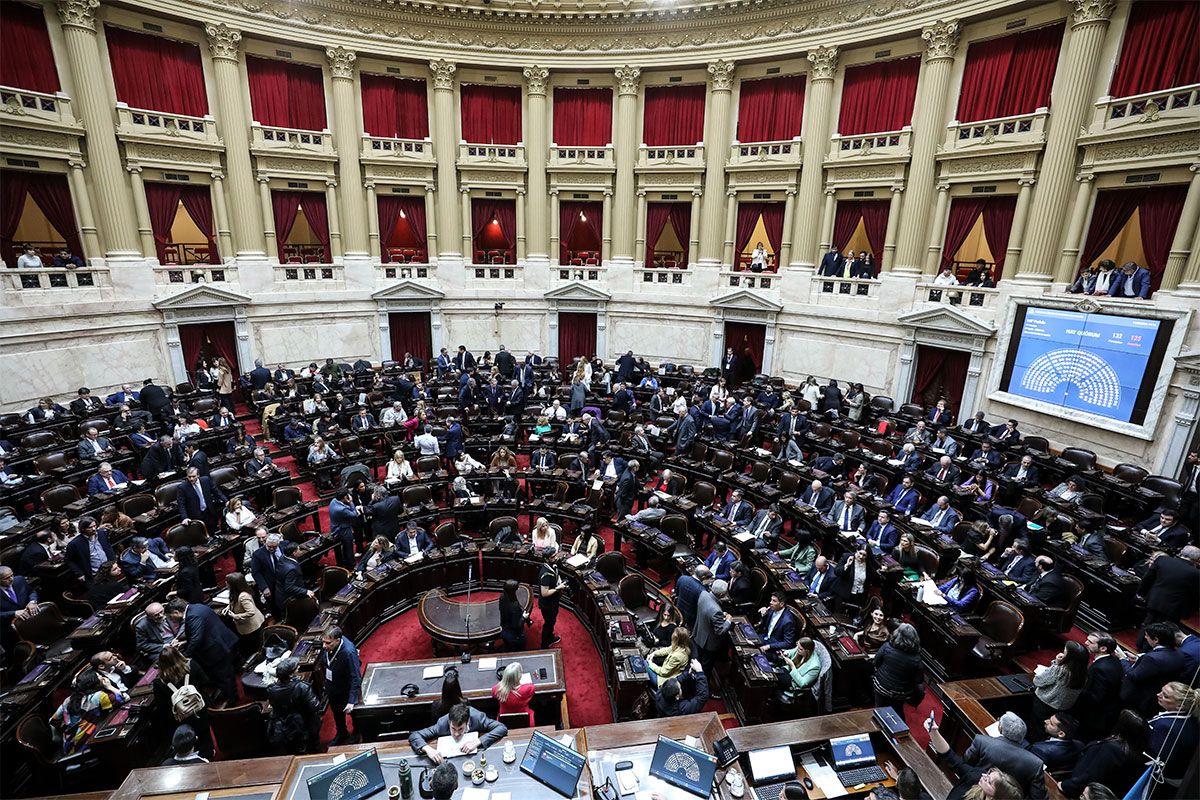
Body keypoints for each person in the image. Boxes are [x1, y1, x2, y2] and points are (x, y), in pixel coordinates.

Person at [923, 717, 1025, 800]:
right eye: (989, 773)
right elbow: (952, 759)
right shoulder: (977, 776)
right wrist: (933, 732)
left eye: (989, 781)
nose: (984, 775)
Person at [166, 597, 239, 705]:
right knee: (227, 674)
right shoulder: (197, 607)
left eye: (171, 617)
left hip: (216, 650)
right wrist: (184, 643)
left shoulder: (192, 616)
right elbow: (201, 632)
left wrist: (183, 657)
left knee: (223, 677)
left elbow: (196, 639)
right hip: (221, 642)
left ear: (177, 612)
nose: (171, 620)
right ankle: (232, 694)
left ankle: (232, 702)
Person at [1061, 710, 1149, 797]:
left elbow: (1091, 775)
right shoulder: (1135, 754)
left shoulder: (1112, 749)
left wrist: (1067, 786)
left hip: (1082, 792)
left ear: (1123, 726)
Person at [963, 712, 1048, 799]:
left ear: (1000, 728)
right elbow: (1038, 797)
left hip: (973, 788)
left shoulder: (981, 741)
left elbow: (966, 762)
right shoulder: (1036, 763)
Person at [153, 645, 214, 758]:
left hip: (182, 719)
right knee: (206, 739)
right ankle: (209, 756)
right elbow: (205, 682)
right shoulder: (192, 665)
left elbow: (162, 707)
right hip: (200, 712)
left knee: (189, 745)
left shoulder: (159, 683)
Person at [50, 670, 127, 755]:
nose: (102, 677)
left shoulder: (68, 700)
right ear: (95, 681)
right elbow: (124, 698)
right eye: (99, 676)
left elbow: (53, 720)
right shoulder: (99, 696)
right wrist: (109, 686)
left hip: (69, 746)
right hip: (89, 745)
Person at [1121, 622, 1186, 717]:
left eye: (1147, 636)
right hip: (1157, 698)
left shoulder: (1152, 658)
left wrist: (1123, 660)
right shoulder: (1180, 654)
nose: (1145, 638)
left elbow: (1134, 676)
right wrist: (1138, 660)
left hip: (1140, 699)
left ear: (1156, 639)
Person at [410, 702, 508, 764]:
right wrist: (428, 749)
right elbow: (414, 735)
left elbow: (501, 728)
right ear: (449, 722)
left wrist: (478, 741)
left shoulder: (478, 718)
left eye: (460, 729)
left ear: (468, 722)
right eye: (453, 729)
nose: (456, 734)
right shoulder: (441, 724)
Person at [1148, 681, 1199, 788]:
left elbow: (1157, 758)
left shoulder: (1166, 727)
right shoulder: (1191, 719)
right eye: (1161, 691)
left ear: (1179, 706)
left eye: (1165, 696)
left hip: (1162, 779)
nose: (1158, 695)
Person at [267, 656, 322, 754]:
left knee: (293, 750)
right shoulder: (302, 687)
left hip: (286, 727)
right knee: (313, 748)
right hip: (305, 724)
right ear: (291, 674)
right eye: (296, 668)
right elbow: (315, 706)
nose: (298, 668)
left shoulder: (272, 689)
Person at [1030, 640, 1088, 728]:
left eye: (1065, 651)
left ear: (1069, 656)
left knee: (1037, 727)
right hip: (1064, 707)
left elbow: (1039, 681)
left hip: (1045, 703)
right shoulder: (1084, 673)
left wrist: (1056, 663)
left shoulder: (1061, 669)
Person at [1137, 545, 1199, 626]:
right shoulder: (1196, 573)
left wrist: (1141, 594)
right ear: (1197, 559)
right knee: (1162, 632)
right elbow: (1195, 596)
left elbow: (1148, 578)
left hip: (1154, 600)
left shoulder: (1162, 560)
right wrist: (1188, 613)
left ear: (1181, 552)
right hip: (1175, 609)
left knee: (1148, 625)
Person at [321, 625, 362, 746]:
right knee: (337, 713)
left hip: (346, 689)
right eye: (323, 642)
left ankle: (357, 733)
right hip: (333, 687)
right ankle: (342, 733)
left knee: (354, 715)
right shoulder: (331, 646)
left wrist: (351, 701)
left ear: (337, 640)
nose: (324, 646)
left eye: (328, 643)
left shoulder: (348, 652)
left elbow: (356, 677)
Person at [872, 623, 923, 718]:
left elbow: (875, 662)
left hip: (881, 687)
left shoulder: (887, 646)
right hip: (901, 694)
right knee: (898, 710)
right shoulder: (916, 659)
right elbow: (918, 681)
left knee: (879, 707)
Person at [693, 580, 732, 686]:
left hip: (699, 633)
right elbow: (720, 631)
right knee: (706, 668)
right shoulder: (716, 611)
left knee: (699, 660)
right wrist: (728, 621)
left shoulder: (703, 594)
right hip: (709, 643)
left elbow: (707, 613)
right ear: (721, 594)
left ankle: (695, 676)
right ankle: (703, 687)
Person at [222, 572, 264, 661]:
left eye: (227, 582)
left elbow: (251, 612)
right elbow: (234, 600)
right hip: (245, 626)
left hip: (251, 627)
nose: (225, 583)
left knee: (254, 648)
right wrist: (228, 607)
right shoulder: (236, 592)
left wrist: (235, 616)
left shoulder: (243, 596)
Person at [177, 467, 227, 536]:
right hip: (195, 515)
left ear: (198, 475)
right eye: (189, 477)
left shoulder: (205, 480)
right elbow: (181, 504)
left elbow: (216, 491)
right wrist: (185, 517)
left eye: (193, 476)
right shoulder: (182, 487)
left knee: (213, 532)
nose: (191, 479)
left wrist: (226, 501)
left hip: (209, 511)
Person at [65, 515, 115, 585]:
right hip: (94, 574)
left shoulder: (102, 533)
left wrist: (114, 561)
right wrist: (79, 573)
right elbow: (69, 560)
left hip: (110, 569)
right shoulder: (74, 544)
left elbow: (108, 547)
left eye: (94, 526)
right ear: (83, 529)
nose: (94, 529)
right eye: (90, 528)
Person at [0, 566, 38, 647]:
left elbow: (31, 592)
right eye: (6, 578)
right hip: (9, 630)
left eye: (11, 575)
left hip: (30, 622)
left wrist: (32, 601)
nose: (11, 579)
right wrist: (13, 613)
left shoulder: (19, 580)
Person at [779, 637, 821, 703]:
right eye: (797, 647)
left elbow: (802, 683)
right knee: (774, 673)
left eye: (800, 649)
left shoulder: (815, 666)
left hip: (793, 683)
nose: (797, 649)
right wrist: (787, 653)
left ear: (807, 651)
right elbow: (793, 651)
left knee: (774, 679)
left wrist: (792, 666)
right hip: (788, 672)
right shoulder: (800, 648)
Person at [538, 552, 566, 647]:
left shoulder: (553, 566)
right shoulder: (545, 574)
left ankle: (550, 637)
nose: (555, 557)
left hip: (553, 601)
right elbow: (544, 593)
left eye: (555, 555)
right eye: (552, 557)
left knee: (552, 621)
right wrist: (558, 588)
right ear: (546, 559)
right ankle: (545, 643)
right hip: (547, 605)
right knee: (549, 624)